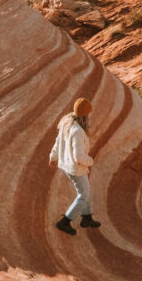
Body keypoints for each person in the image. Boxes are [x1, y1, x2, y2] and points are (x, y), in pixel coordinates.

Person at [49, 98, 101, 235]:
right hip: (76, 168)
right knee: (83, 194)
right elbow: (78, 157)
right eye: (89, 114)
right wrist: (90, 161)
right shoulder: (77, 131)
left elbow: (57, 142)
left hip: (69, 166)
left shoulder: (68, 123)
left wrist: (52, 156)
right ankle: (65, 222)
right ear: (85, 115)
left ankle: (87, 217)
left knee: (86, 190)